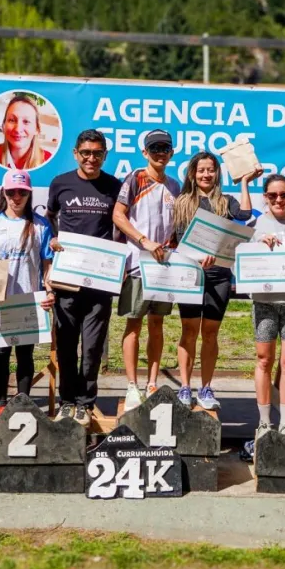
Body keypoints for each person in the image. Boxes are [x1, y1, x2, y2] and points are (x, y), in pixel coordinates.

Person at [174, 151, 261, 410]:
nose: (206, 174)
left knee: (210, 333)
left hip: (219, 275)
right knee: (189, 331)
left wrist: (244, 182)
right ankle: (185, 387)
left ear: (217, 173)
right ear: (193, 173)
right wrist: (196, 256)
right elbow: (179, 239)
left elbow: (244, 214)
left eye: (211, 170)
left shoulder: (226, 201)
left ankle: (206, 388)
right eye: (201, 170)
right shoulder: (182, 202)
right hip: (190, 274)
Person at [46, 129, 122, 426]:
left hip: (100, 280)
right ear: (76, 153)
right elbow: (49, 217)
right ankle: (67, 401)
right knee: (66, 344)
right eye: (86, 153)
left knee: (92, 346)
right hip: (67, 278)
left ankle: (85, 403)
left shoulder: (114, 186)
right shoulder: (60, 183)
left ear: (105, 155)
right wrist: (53, 240)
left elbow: (121, 224)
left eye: (98, 153)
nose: (91, 158)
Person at [0, 169, 55, 416]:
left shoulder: (41, 225)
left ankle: (23, 402)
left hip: (29, 299)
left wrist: (49, 291)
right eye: (11, 192)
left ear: (29, 194)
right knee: (1, 354)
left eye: (22, 192)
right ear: (4, 193)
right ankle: (0, 402)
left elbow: (47, 264)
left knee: (25, 354)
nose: (16, 197)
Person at [112, 129, 181, 411]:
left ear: (171, 153)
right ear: (145, 152)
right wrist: (143, 240)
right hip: (137, 265)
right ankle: (132, 385)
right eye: (154, 149)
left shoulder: (175, 186)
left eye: (164, 148)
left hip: (164, 267)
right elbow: (118, 215)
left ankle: (152, 383)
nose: (160, 153)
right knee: (133, 324)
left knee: (157, 324)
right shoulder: (135, 178)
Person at [249, 174, 285, 438]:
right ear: (265, 197)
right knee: (264, 360)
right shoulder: (255, 224)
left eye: (284, 194)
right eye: (273, 195)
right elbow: (242, 258)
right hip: (264, 303)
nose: (279, 199)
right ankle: (264, 422)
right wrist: (258, 245)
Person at [0, 94, 53, 170]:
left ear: (37, 129)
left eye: (26, 121)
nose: (18, 129)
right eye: (12, 120)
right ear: (3, 125)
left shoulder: (48, 160)